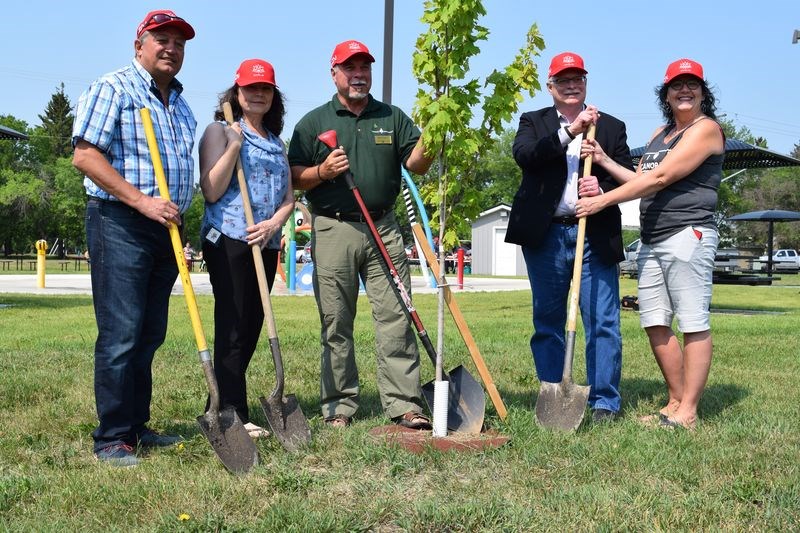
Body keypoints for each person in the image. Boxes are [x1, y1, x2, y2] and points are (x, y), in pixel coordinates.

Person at [288, 40, 434, 429]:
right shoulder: (313, 123)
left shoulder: (392, 116)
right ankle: (339, 406)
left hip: (383, 226)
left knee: (397, 315)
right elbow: (292, 176)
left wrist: (434, 134)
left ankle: (405, 403)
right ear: (334, 73)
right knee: (336, 320)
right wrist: (322, 173)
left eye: (364, 68)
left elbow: (417, 164)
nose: (359, 75)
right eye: (350, 68)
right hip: (333, 226)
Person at [72, 10, 196, 467]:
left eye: (179, 43)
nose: (171, 48)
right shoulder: (115, 88)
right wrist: (143, 202)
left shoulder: (180, 104)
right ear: (138, 43)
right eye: (160, 39)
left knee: (149, 333)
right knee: (122, 333)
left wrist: (173, 221)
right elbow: (85, 156)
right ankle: (111, 437)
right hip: (120, 223)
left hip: (165, 228)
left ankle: (136, 426)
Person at [576, 58, 724, 430]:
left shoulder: (706, 131)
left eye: (692, 85)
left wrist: (602, 201)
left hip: (688, 234)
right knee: (655, 322)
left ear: (704, 92)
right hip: (654, 238)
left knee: (692, 322)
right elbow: (639, 177)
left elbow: (660, 178)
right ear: (666, 93)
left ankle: (688, 411)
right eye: (677, 85)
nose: (684, 91)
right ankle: (674, 401)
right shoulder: (662, 133)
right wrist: (604, 159)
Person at [506, 52, 632, 423]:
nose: (572, 84)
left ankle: (604, 402)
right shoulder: (534, 121)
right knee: (547, 320)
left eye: (578, 78)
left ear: (586, 82)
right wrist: (571, 131)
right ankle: (552, 393)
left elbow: (627, 175)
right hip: (546, 236)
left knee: (603, 321)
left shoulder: (610, 126)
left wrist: (602, 179)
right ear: (551, 87)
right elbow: (526, 157)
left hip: (593, 235)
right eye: (563, 79)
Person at [198, 59, 294, 439]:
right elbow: (211, 189)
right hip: (229, 238)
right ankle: (232, 409)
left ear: (273, 96)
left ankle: (220, 402)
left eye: (265, 88)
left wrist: (274, 223)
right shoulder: (219, 131)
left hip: (264, 239)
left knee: (253, 323)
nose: (258, 94)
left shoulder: (276, 142)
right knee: (234, 322)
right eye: (251, 87)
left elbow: (289, 197)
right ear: (236, 92)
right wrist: (234, 145)